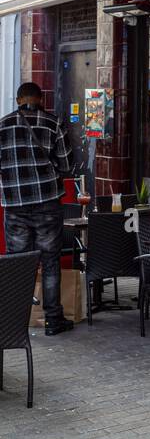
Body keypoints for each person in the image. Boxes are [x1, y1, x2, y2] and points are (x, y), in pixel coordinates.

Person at [0, 82, 75, 335]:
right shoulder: (54, 123)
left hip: (15, 205)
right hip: (47, 202)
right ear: (40, 99)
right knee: (50, 261)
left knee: (17, 263)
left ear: (18, 99)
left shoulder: (2, 125)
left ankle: (14, 321)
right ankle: (53, 320)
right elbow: (66, 164)